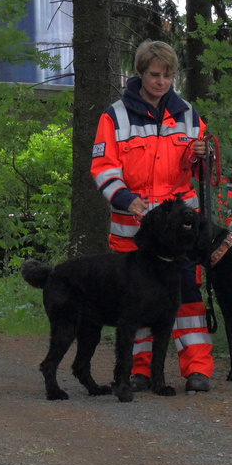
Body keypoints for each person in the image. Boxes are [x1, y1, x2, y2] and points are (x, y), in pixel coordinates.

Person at [90, 39, 213, 393]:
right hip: (134, 228)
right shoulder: (114, 116)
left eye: (168, 75)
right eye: (154, 75)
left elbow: (203, 175)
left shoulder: (189, 115)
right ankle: (139, 371)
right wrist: (126, 199)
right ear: (140, 74)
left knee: (188, 296)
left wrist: (201, 157)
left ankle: (197, 369)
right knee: (136, 301)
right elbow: (103, 168)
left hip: (181, 230)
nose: (161, 82)